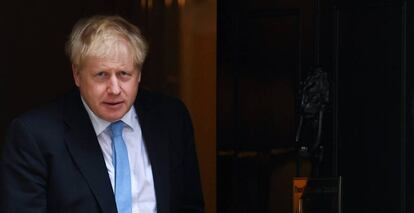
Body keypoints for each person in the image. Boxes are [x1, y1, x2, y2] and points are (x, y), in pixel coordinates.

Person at [0, 15, 204, 213]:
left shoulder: (171, 118)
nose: (114, 89)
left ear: (139, 74)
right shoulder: (35, 135)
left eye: (124, 74)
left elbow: (189, 205)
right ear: (77, 75)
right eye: (101, 75)